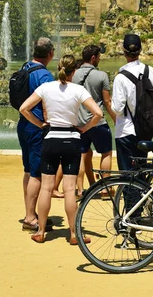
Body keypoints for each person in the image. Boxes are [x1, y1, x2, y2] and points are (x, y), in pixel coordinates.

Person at [19, 54, 102, 244]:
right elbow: (97, 113)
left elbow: (24, 108)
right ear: (74, 71)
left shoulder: (46, 88)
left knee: (46, 188)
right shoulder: (78, 90)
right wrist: (84, 128)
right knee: (70, 189)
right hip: (71, 139)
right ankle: (73, 234)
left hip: (50, 139)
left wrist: (40, 124)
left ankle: (40, 231)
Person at [111, 34, 153, 170]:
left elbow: (117, 108)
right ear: (140, 51)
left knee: (128, 176)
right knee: (141, 170)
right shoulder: (151, 71)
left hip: (126, 131)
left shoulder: (121, 77)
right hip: (146, 129)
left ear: (124, 51)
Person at [17, 37, 55, 232]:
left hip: (23, 125)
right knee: (37, 173)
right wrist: (43, 124)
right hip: (36, 126)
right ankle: (31, 218)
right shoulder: (45, 76)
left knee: (28, 170)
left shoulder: (25, 68)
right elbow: (49, 104)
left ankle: (29, 211)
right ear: (50, 54)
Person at [72, 45, 116, 197]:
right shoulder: (102, 75)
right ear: (93, 58)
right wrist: (116, 119)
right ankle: (105, 189)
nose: (99, 59)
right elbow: (107, 101)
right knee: (106, 154)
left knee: (81, 156)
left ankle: (79, 190)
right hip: (97, 123)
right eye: (98, 57)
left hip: (79, 124)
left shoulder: (74, 74)